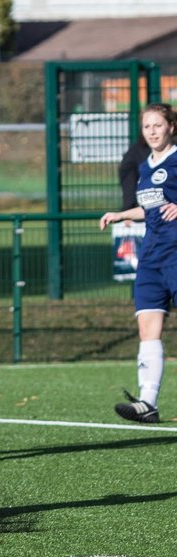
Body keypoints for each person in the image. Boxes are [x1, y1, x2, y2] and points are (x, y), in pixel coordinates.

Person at [100, 103, 177, 423]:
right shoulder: (146, 165)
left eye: (158, 125)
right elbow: (151, 208)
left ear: (172, 126)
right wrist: (120, 214)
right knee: (148, 327)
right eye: (147, 127)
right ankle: (148, 402)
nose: (153, 131)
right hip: (151, 257)